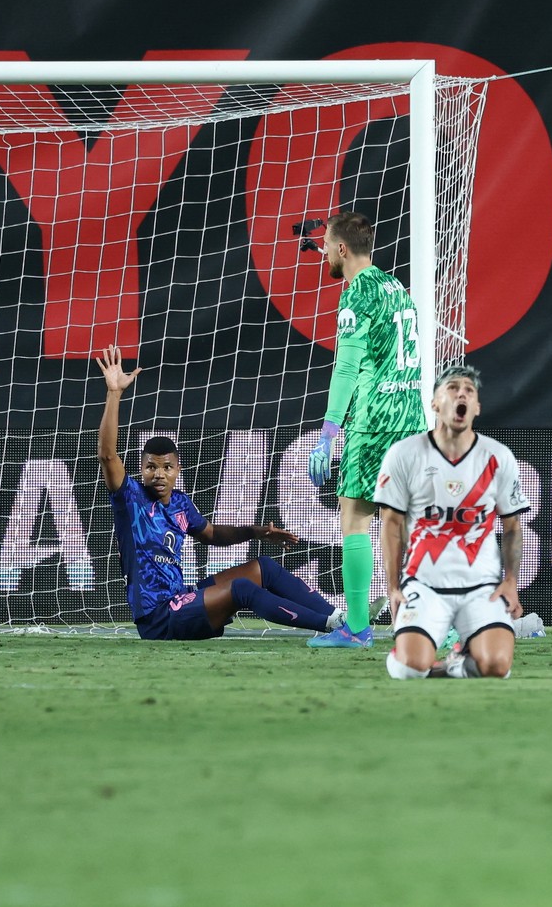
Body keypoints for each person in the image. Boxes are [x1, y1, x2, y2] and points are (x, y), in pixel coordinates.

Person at [97, 345, 346, 641]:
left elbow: (213, 535)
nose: (158, 474)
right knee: (241, 590)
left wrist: (257, 532)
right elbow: (108, 455)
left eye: (166, 467)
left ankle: (338, 617)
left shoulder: (180, 504)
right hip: (157, 616)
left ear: (177, 471)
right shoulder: (130, 498)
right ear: (141, 469)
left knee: (263, 568)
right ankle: (329, 627)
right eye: (151, 467)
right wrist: (114, 394)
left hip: (182, 599)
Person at [306, 212, 428, 648]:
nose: (321, 252)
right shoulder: (395, 286)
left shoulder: (356, 292)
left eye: (326, 246)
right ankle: (437, 624)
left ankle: (357, 627)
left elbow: (347, 367)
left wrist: (327, 434)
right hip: (412, 416)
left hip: (375, 418)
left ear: (342, 249)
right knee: (412, 524)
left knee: (355, 517)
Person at [377, 365, 529, 679]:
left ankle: (459, 661)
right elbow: (391, 524)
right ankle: (417, 654)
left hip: (482, 586)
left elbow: (512, 526)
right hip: (425, 583)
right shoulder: (404, 454)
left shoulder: (498, 457)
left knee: (497, 667)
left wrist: (511, 582)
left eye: (469, 391)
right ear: (434, 402)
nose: (461, 393)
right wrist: (393, 587)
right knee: (408, 670)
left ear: (476, 408)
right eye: (452, 387)